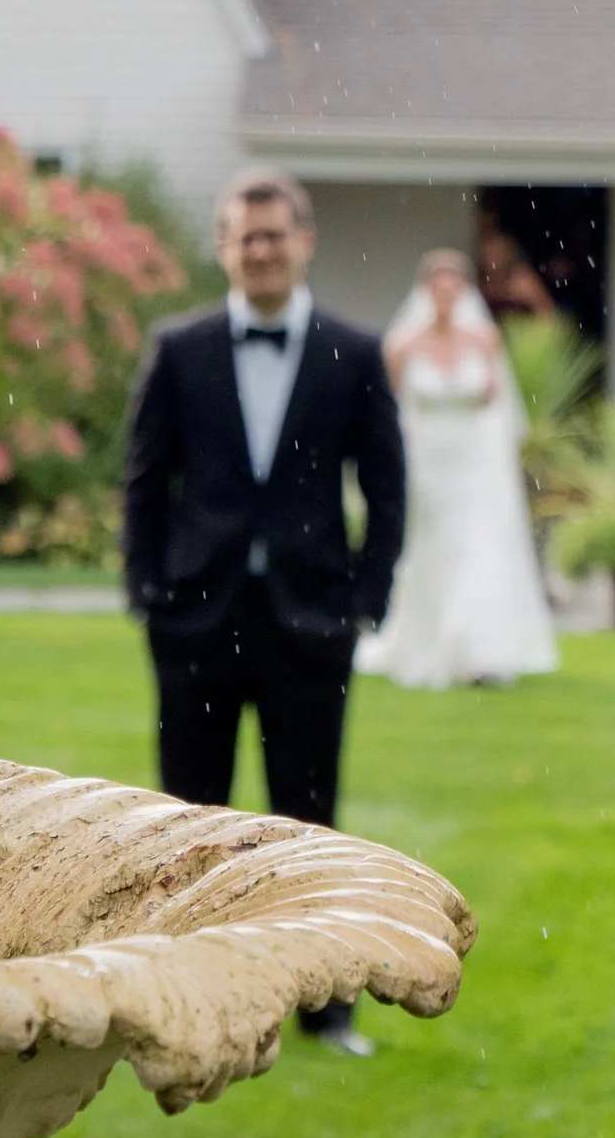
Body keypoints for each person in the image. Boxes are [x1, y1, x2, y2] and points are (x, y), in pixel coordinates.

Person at [120, 169, 407, 1057]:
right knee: (189, 819)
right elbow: (142, 481)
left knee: (307, 817)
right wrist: (147, 594)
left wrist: (364, 600)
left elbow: (388, 487)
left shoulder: (352, 354)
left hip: (310, 621)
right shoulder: (180, 347)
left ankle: (324, 1008)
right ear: (223, 248)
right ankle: (189, 1003)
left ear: (303, 240)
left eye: (274, 235)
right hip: (194, 620)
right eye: (245, 237)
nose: (260, 250)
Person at [359, 249, 558, 690]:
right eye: (438, 290)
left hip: (474, 466)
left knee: (477, 552)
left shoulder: (483, 340)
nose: (445, 298)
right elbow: (385, 412)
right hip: (427, 464)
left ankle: (476, 652)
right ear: (425, 293)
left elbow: (499, 405)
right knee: (432, 552)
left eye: (454, 289)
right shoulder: (402, 345)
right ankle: (429, 641)